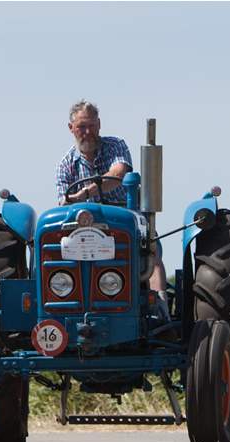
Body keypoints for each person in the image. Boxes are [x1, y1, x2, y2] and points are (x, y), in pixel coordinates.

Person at [55, 100, 169, 320]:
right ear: (71, 128)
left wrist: (85, 193)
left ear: (99, 124)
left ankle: (160, 306)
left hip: (124, 221)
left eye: (91, 125)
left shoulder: (115, 146)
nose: (87, 132)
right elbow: (63, 205)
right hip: (85, 230)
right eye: (81, 127)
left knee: (150, 252)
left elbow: (118, 173)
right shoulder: (65, 165)